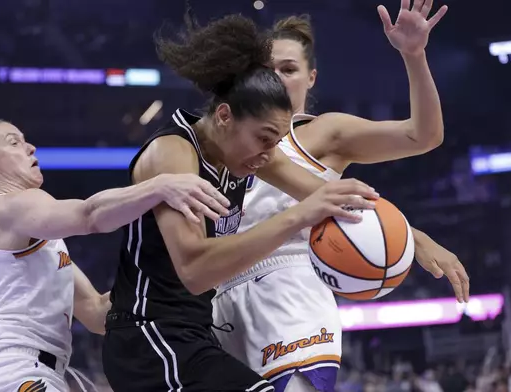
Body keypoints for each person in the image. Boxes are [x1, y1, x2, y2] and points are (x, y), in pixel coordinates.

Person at [101, 12, 380, 392]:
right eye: (264, 138)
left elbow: (333, 198)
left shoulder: (245, 153)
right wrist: (297, 216)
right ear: (224, 116)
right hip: (150, 339)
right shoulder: (174, 154)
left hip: (196, 335)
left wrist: (413, 241)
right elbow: (195, 269)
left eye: (276, 141)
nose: (269, 154)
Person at [212, 2, 470, 391]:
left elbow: (424, 135)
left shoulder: (324, 132)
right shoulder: (225, 132)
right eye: (267, 71)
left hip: (288, 282)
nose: (277, 79)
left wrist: (414, 56)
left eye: (289, 69)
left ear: (311, 77)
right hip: (216, 289)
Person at [0, 119, 234, 391]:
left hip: (25, 371)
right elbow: (90, 214)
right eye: (14, 142)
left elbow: (97, 312)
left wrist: (180, 281)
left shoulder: (40, 240)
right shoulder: (7, 206)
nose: (31, 147)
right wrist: (160, 185)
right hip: (11, 370)